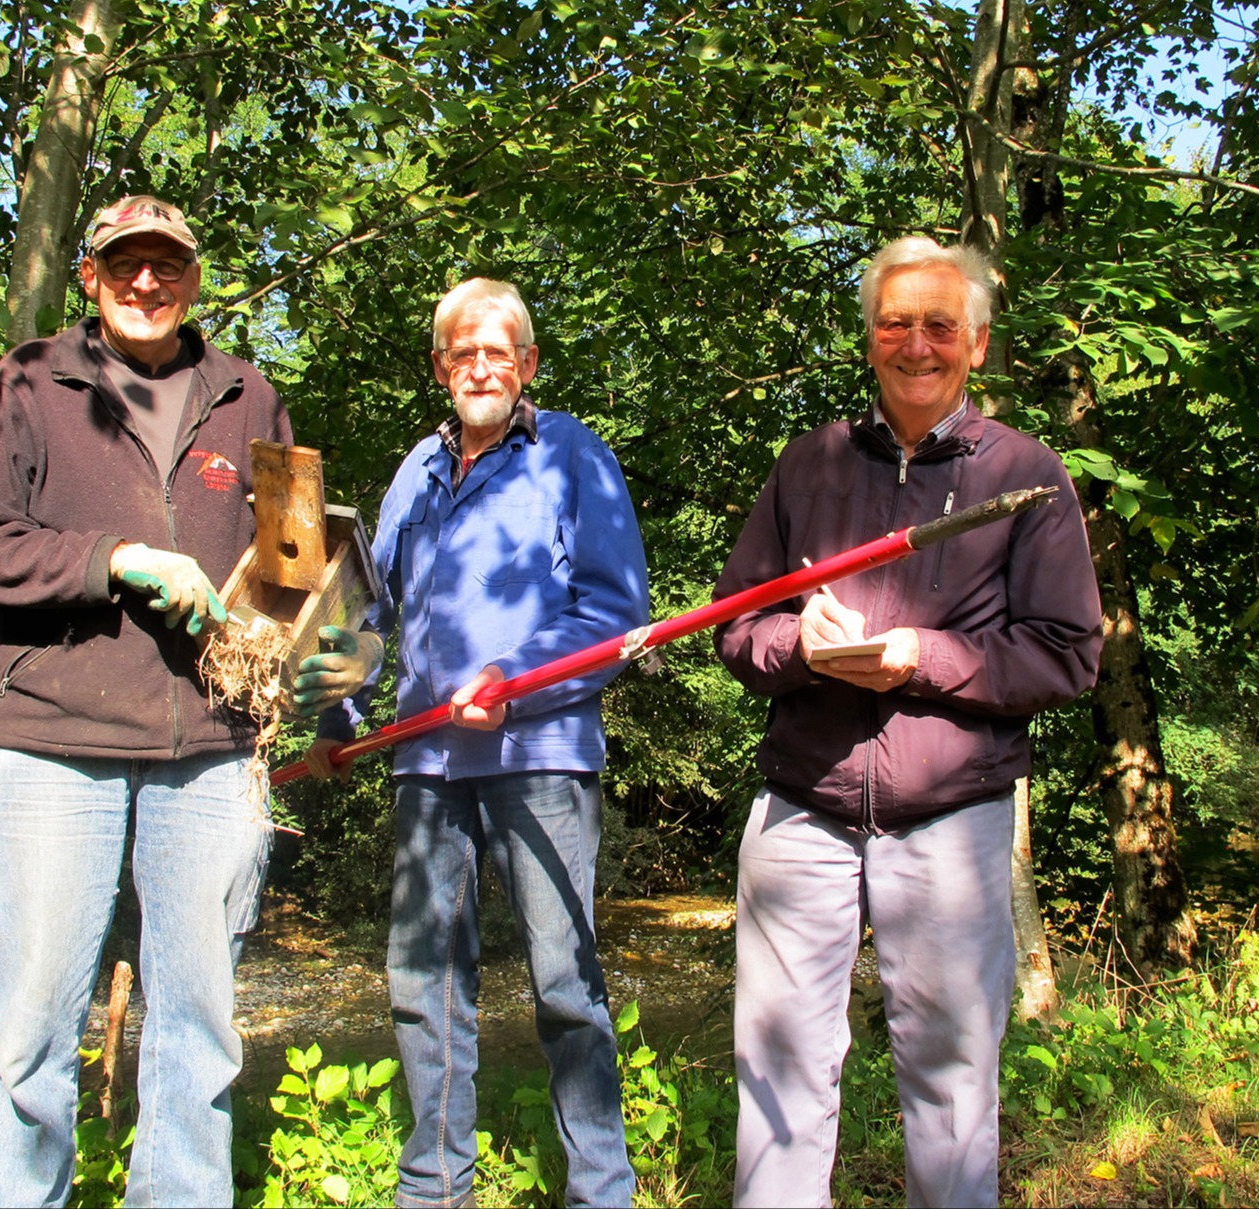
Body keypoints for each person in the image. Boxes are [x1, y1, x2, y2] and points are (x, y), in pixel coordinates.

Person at [712, 236, 1103, 1208]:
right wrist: (799, 646)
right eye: (895, 323)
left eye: (938, 325)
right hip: (802, 810)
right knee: (777, 1078)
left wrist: (919, 660)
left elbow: (1066, 653)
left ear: (974, 341)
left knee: (950, 1085)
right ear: (869, 338)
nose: (915, 345)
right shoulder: (810, 465)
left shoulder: (1026, 475)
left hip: (953, 824)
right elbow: (733, 626)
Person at [0, 194, 290, 1207]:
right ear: (89, 277)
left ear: (192, 279)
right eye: (125, 264)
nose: (148, 283)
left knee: (197, 1034)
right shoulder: (29, 384)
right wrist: (116, 559)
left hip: (213, 750)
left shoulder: (248, 398)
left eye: (168, 266)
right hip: (53, 743)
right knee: (37, 1034)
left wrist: (314, 642)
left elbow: (292, 555)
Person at [295, 278, 648, 1209]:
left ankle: (600, 1191)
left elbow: (614, 612)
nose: (480, 366)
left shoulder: (571, 453)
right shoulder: (415, 469)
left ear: (527, 364)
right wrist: (342, 706)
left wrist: (516, 680)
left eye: (499, 351)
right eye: (462, 352)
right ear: (441, 367)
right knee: (423, 983)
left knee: (565, 985)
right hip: (425, 765)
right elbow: (371, 613)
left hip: (540, 757)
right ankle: (433, 1188)